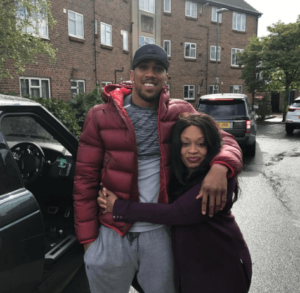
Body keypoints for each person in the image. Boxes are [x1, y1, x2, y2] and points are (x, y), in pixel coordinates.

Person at [73, 44, 243, 293]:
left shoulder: (180, 112)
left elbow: (224, 140)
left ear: (166, 77)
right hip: (112, 233)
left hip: (161, 234)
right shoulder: (99, 116)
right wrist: (89, 242)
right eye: (143, 67)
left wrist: (221, 166)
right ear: (132, 75)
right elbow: (84, 179)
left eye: (158, 69)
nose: (150, 74)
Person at [98, 113, 251, 293]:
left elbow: (179, 213)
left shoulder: (215, 180)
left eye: (201, 144)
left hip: (222, 267)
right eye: (185, 144)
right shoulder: (184, 172)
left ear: (211, 146)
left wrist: (119, 207)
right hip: (196, 267)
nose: (192, 150)